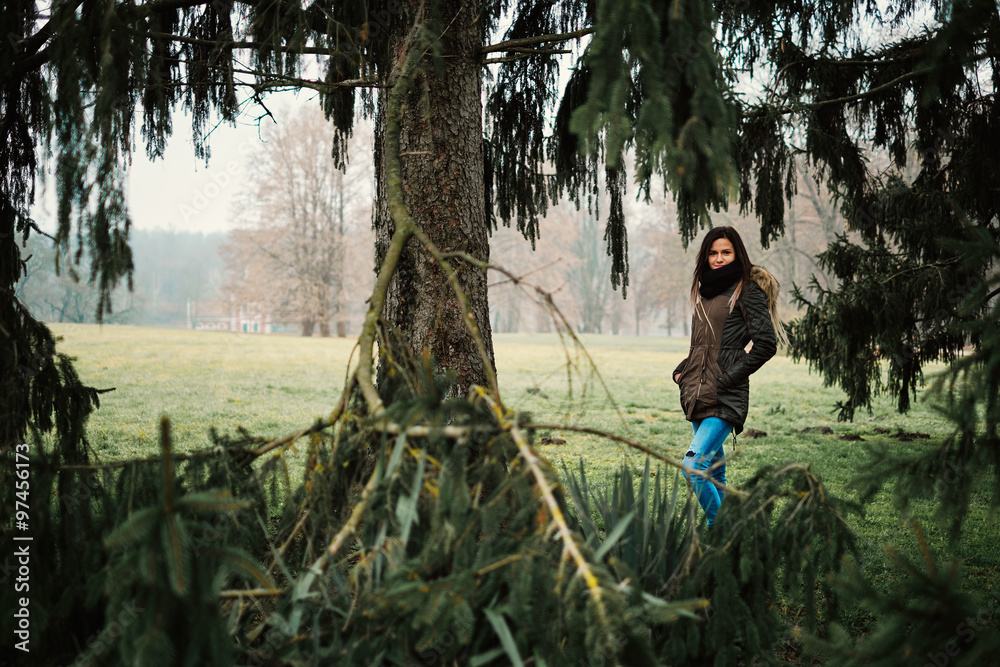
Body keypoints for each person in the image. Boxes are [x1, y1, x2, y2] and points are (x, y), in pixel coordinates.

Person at [671, 226, 786, 528]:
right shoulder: (705, 291)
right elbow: (704, 345)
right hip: (697, 391)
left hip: (724, 394)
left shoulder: (747, 290)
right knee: (714, 472)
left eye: (726, 252)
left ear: (737, 254)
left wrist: (728, 378)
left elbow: (766, 344)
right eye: (713, 253)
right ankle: (729, 540)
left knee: (693, 466)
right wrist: (682, 370)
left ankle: (720, 529)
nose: (719, 258)